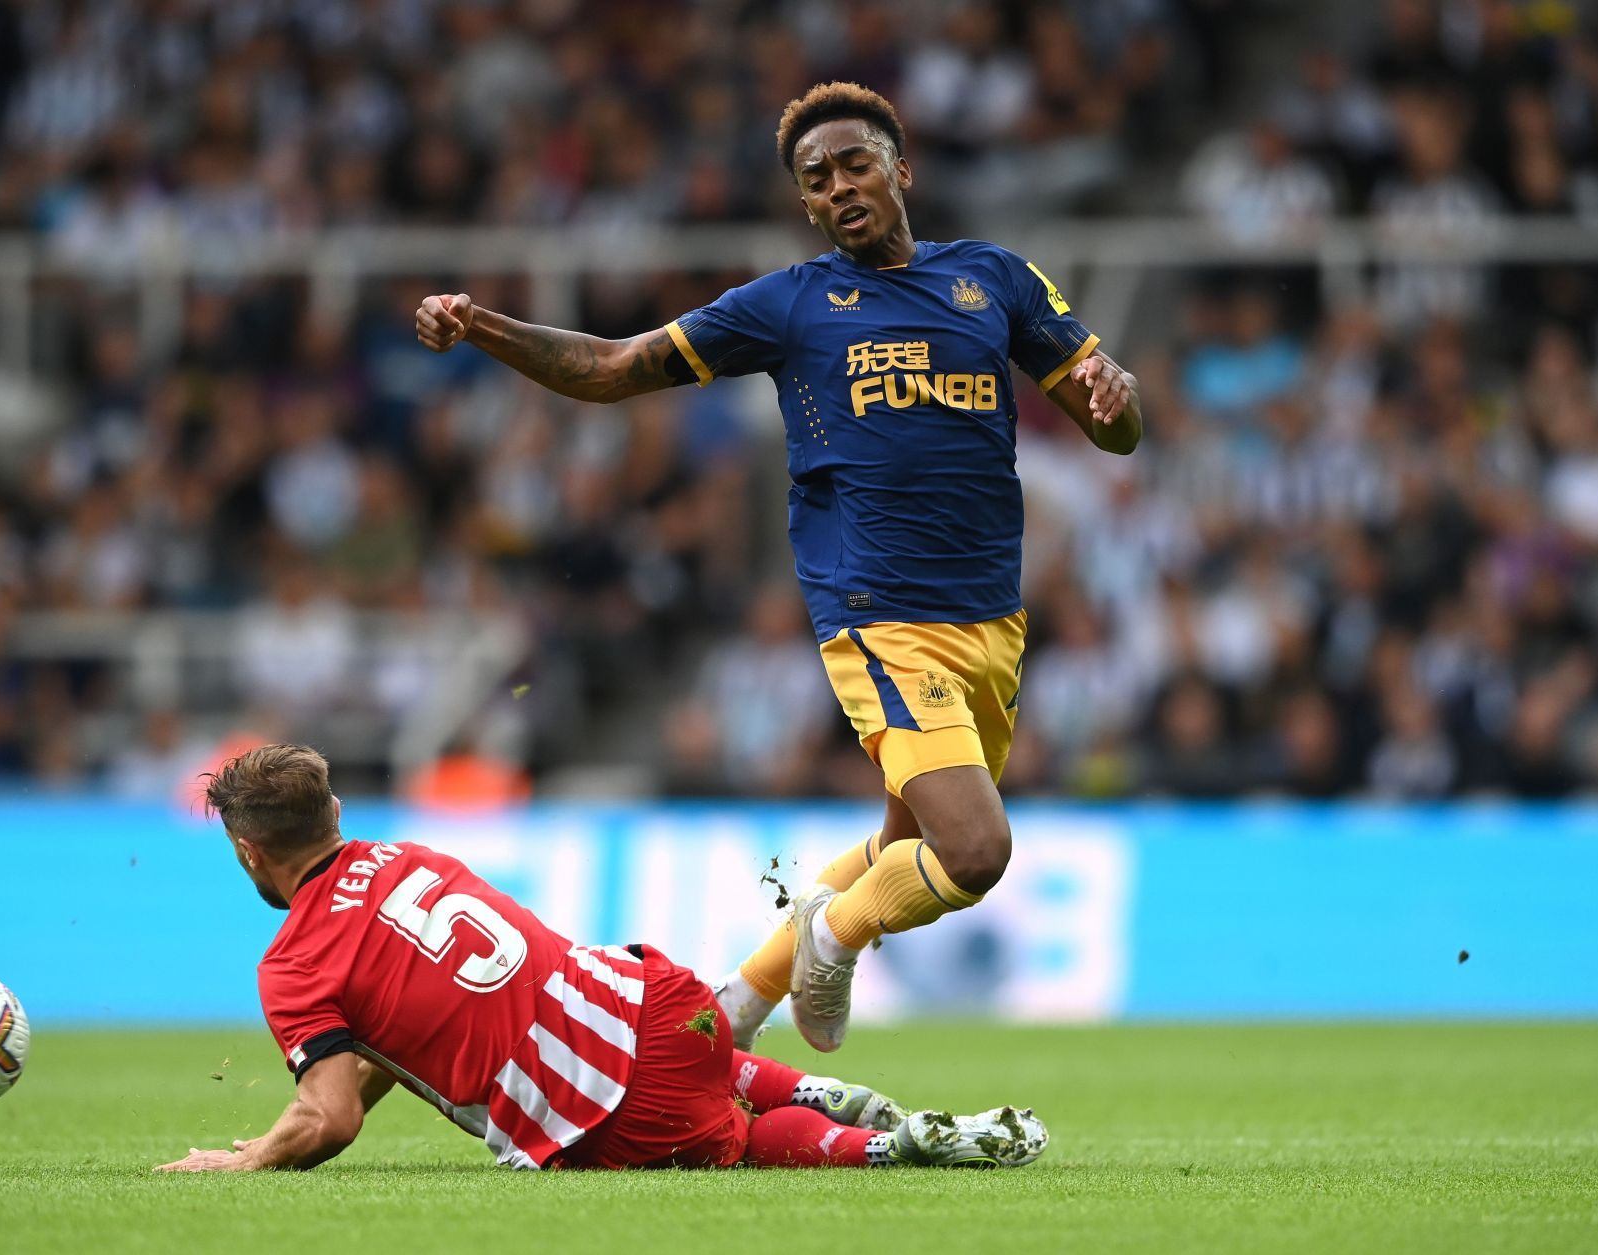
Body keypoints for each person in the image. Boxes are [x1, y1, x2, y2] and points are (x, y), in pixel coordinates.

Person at [416, 83, 1143, 1053]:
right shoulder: (789, 305)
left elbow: (1116, 433)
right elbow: (609, 368)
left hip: (992, 618)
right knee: (973, 850)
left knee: (903, 847)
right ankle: (832, 937)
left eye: (854, 164)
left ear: (901, 171)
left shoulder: (994, 281)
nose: (837, 187)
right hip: (879, 610)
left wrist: (1116, 389)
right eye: (815, 179)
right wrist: (484, 328)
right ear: (802, 203)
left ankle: (735, 1005)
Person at [153, 744, 1047, 1174]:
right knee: (703, 1073)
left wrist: (250, 1159)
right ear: (335, 812)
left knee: (731, 1148)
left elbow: (332, 1115)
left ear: (245, 852)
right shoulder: (408, 857)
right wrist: (293, 1119)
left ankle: (887, 1145)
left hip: (602, 1101)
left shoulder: (296, 964)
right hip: (659, 995)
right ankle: (799, 1083)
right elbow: (390, 1035)